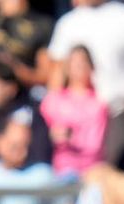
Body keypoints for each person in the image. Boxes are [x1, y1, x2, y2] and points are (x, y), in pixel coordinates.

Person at [47, 0, 124, 171]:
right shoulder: (68, 23)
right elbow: (56, 70)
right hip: (78, 115)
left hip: (116, 112)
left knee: (110, 172)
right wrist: (55, 113)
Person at [39, 45, 108, 178]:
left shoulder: (99, 103)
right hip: (59, 170)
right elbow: (41, 134)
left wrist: (71, 138)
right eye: (74, 63)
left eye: (83, 62)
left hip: (92, 171)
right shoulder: (52, 101)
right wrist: (52, 136)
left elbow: (96, 144)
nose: (79, 67)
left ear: (91, 67)